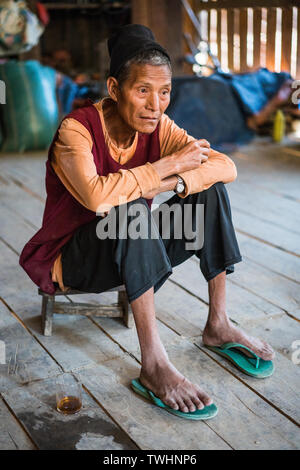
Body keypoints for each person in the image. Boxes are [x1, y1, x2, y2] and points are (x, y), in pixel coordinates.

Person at [20, 24, 275, 417]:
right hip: (72, 260)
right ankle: (154, 363)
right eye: (143, 90)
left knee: (208, 192)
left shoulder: (161, 127)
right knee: (130, 208)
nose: (155, 105)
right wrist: (169, 166)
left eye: (164, 92)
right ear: (114, 88)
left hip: (132, 247)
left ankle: (218, 323)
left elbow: (225, 167)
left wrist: (178, 179)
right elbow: (97, 197)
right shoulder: (77, 130)